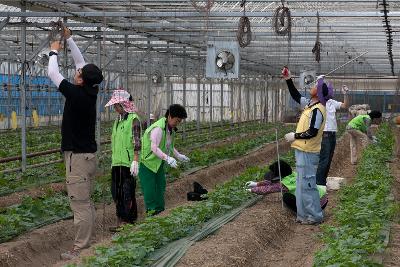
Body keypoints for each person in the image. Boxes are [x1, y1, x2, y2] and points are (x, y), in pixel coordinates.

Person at [48, 27, 103, 259]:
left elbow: (53, 73)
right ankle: (86, 242)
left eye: (79, 73)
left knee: (79, 205)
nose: (76, 72)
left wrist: (53, 51)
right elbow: (82, 63)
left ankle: (80, 250)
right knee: (85, 202)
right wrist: (69, 39)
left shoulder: (76, 94)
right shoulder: (90, 91)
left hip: (78, 159)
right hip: (87, 156)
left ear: (81, 80)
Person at [282, 67, 327, 225]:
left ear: (319, 92)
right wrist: (288, 79)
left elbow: (312, 132)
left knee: (308, 185)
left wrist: (294, 135)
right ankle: (303, 216)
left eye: (316, 85)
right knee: (301, 185)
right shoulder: (309, 105)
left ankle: (315, 216)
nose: (312, 86)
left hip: (308, 152)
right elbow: (295, 95)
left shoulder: (318, 110)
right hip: (302, 151)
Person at [139, 104, 190, 215]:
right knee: (150, 190)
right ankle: (151, 213)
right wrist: (167, 158)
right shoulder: (158, 128)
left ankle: (160, 211)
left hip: (158, 162)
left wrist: (178, 155)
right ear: (170, 116)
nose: (178, 123)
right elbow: (154, 148)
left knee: (160, 186)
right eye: (177, 120)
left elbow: (169, 145)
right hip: (147, 163)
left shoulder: (169, 129)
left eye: (180, 122)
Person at [104, 89, 141, 232]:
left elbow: (137, 141)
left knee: (127, 193)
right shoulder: (118, 121)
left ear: (123, 104)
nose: (115, 108)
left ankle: (129, 221)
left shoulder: (134, 119)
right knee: (116, 193)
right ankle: (120, 220)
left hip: (128, 164)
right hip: (117, 163)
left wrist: (136, 160)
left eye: (116, 105)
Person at [245, 160, 328, 213]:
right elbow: (271, 182)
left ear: (280, 175)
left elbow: (268, 189)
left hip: (316, 205)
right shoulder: (293, 174)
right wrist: (256, 184)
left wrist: (251, 190)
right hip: (323, 199)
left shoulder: (285, 184)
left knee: (287, 197)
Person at [315, 79, 350, 186]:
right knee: (324, 160)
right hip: (324, 134)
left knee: (329, 159)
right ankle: (319, 183)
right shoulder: (318, 104)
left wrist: (346, 94)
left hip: (332, 134)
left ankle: (322, 181)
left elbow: (345, 105)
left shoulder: (331, 102)